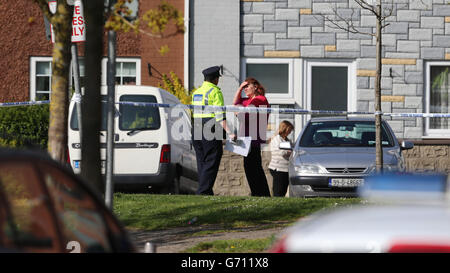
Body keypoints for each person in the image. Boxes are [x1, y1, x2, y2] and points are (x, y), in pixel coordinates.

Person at [191, 66, 235, 195]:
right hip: (210, 126)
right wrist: (230, 132)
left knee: (202, 161)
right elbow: (220, 115)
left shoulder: (197, 92)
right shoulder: (215, 92)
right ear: (215, 79)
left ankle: (206, 190)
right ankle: (203, 191)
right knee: (212, 158)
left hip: (197, 126)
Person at [233, 77, 270, 197]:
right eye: (244, 87)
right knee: (250, 167)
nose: (245, 89)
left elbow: (245, 115)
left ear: (255, 87)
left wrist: (239, 113)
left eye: (247, 87)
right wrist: (239, 89)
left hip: (253, 139)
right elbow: (235, 104)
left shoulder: (260, 99)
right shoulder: (248, 100)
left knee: (254, 167)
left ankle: (260, 193)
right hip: (246, 139)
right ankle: (259, 193)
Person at [268, 121, 294, 197]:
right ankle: (276, 204)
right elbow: (281, 152)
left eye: (291, 130)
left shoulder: (287, 140)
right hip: (278, 168)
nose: (290, 132)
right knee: (278, 190)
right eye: (289, 130)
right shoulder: (277, 139)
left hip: (285, 169)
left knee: (283, 189)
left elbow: (292, 150)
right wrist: (289, 152)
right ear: (284, 129)